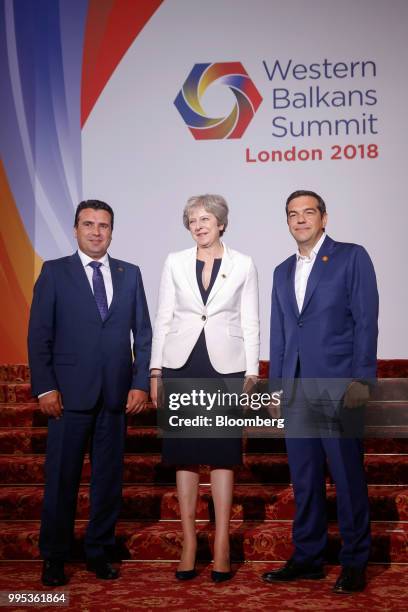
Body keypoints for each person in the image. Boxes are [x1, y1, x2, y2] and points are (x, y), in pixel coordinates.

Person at [28, 199, 152, 587]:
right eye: (89, 224)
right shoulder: (54, 272)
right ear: (76, 228)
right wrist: (45, 387)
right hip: (67, 397)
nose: (96, 231)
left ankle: (99, 551)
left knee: (108, 481)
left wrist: (139, 383)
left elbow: (144, 335)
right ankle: (55, 556)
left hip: (116, 397)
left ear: (112, 231)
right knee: (62, 480)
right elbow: (39, 336)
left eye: (104, 225)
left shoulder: (130, 274)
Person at [263, 190, 378, 594]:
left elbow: (366, 320)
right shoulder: (280, 270)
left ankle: (354, 561)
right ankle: (308, 557)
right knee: (305, 479)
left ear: (324, 218)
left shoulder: (351, 257)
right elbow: (279, 334)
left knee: (347, 478)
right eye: (292, 214)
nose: (300, 220)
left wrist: (361, 379)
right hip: (295, 390)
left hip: (338, 386)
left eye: (308, 213)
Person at [150, 194, 259, 582]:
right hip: (182, 364)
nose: (199, 225)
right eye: (193, 220)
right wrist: (155, 370)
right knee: (185, 454)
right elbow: (163, 316)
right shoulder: (174, 261)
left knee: (221, 454)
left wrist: (251, 373)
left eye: (206, 218)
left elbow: (250, 321)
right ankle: (189, 542)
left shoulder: (243, 263)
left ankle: (222, 543)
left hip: (226, 368)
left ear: (221, 223)